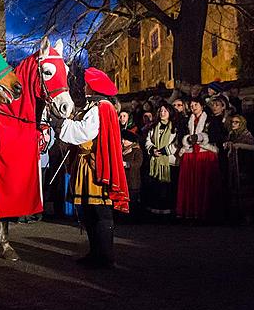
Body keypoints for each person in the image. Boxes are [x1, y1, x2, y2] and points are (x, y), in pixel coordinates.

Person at [56, 67, 129, 268]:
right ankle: (95, 253)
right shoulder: (95, 106)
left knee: (99, 211)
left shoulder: (101, 108)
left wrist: (64, 124)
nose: (84, 87)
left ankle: (105, 256)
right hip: (85, 163)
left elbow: (84, 132)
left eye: (87, 84)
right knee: (88, 211)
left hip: (94, 165)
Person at [177, 99, 224, 221]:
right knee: (190, 184)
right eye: (191, 105)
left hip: (205, 153)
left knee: (204, 183)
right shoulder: (186, 120)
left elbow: (216, 135)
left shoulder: (211, 120)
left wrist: (200, 137)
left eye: (195, 104)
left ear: (202, 105)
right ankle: (191, 213)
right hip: (190, 154)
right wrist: (187, 139)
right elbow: (181, 136)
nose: (193, 107)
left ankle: (206, 213)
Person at [144, 102, 180, 218]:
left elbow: (176, 143)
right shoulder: (154, 126)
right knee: (156, 188)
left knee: (168, 188)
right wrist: (153, 149)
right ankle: (156, 212)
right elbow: (148, 141)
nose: (162, 113)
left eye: (165, 111)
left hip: (169, 162)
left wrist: (164, 151)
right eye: (160, 111)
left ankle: (169, 213)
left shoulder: (175, 127)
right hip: (155, 162)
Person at [225, 114, 254, 224]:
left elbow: (253, 148)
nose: (233, 124)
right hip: (233, 165)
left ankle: (248, 215)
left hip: (244, 165)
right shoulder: (231, 134)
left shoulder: (247, 134)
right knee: (233, 189)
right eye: (232, 122)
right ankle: (236, 214)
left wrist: (239, 145)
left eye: (236, 122)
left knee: (245, 191)